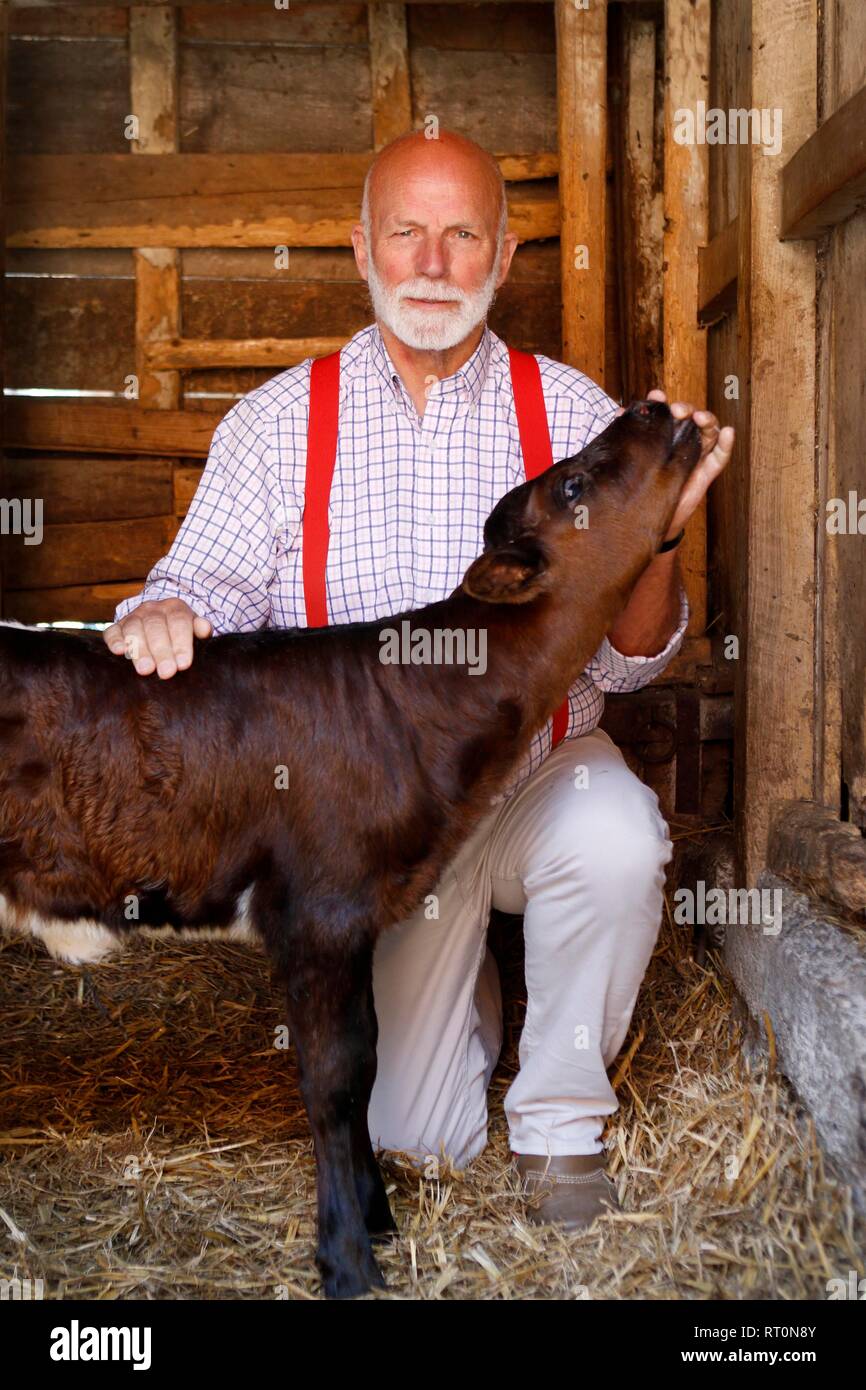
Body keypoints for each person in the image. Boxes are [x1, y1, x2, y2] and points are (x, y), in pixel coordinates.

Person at [104, 129, 733, 1230]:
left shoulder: (570, 413)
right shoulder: (275, 425)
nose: (432, 264)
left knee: (618, 833)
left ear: (503, 253)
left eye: (462, 235)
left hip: (534, 777)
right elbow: (196, 586)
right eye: (406, 233)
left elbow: (633, 661)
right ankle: (467, 1007)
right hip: (376, 822)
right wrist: (162, 612)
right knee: (412, 1135)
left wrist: (661, 536)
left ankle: (559, 1126)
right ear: (361, 248)